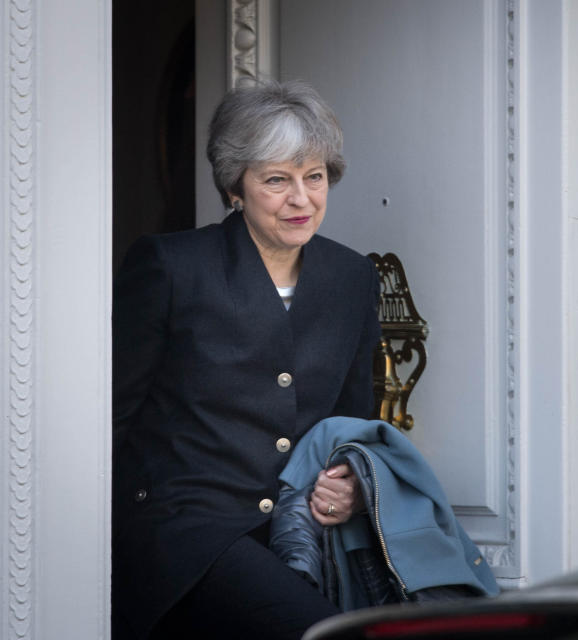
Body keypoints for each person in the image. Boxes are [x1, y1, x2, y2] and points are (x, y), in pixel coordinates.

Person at [112, 81, 380, 639]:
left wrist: (352, 484)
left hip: (298, 535)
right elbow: (112, 416)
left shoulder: (353, 277)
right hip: (185, 534)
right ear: (236, 186)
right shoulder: (170, 266)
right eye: (277, 180)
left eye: (315, 176)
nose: (302, 199)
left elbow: (354, 424)